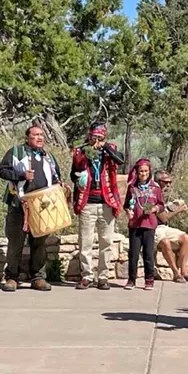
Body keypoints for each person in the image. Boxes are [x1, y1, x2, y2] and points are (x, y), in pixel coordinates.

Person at [0, 126, 63, 292]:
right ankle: (12, 277)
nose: (39, 138)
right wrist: (21, 176)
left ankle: (38, 277)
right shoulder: (16, 152)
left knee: (39, 243)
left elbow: (56, 177)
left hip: (43, 207)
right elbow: (1, 171)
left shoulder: (48, 157)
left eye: (41, 135)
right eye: (35, 135)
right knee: (15, 242)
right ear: (27, 138)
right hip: (19, 205)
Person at [71, 122, 125, 290]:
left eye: (100, 136)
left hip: (107, 202)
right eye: (94, 136)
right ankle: (86, 276)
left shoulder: (111, 149)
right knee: (85, 242)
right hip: (87, 202)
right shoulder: (81, 151)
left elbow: (120, 160)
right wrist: (80, 176)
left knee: (106, 241)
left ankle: (103, 276)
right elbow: (73, 173)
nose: (96, 139)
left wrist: (105, 146)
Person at [123, 159, 164, 290]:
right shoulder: (132, 187)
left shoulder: (155, 188)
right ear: (137, 172)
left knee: (148, 253)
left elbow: (161, 205)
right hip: (135, 225)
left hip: (149, 225)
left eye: (146, 171)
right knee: (133, 254)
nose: (143, 173)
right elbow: (126, 205)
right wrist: (128, 212)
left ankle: (149, 279)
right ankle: (131, 279)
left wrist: (154, 209)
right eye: (141, 171)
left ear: (149, 171)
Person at [154, 170, 188, 283]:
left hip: (164, 227)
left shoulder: (161, 195)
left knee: (185, 238)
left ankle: (184, 271)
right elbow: (163, 218)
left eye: (170, 182)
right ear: (158, 181)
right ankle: (175, 272)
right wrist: (178, 210)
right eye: (166, 182)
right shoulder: (152, 193)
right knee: (165, 242)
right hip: (155, 228)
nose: (168, 185)